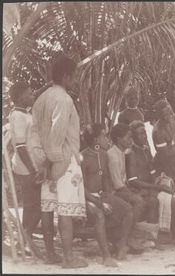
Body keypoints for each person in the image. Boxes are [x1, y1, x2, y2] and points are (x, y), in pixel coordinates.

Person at [30, 55, 87, 268]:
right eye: (74, 76)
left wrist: (42, 163)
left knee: (48, 207)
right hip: (63, 161)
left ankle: (51, 254)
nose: (75, 81)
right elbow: (57, 133)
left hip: (46, 164)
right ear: (66, 76)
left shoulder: (41, 99)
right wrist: (55, 162)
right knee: (65, 210)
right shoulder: (63, 99)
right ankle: (69, 258)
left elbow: (33, 135)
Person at [127, 120, 175, 246]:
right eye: (140, 134)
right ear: (133, 137)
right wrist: (157, 186)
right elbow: (133, 181)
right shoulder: (131, 153)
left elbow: (152, 172)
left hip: (151, 186)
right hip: (140, 190)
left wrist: (160, 178)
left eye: (144, 132)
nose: (144, 136)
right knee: (173, 201)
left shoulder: (145, 150)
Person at [81, 124, 136, 263]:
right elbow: (81, 188)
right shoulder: (83, 157)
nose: (107, 139)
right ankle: (106, 256)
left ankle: (121, 244)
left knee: (128, 210)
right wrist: (100, 203)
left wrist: (110, 197)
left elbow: (105, 179)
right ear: (95, 140)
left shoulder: (104, 155)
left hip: (102, 195)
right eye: (104, 136)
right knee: (99, 215)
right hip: (87, 197)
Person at [8, 82, 42, 241]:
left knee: (34, 203)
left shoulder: (24, 113)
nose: (33, 95)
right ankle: (25, 236)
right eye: (29, 94)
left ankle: (26, 234)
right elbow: (20, 147)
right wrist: (33, 170)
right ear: (21, 97)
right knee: (33, 204)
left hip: (31, 165)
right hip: (26, 167)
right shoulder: (18, 116)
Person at [152, 99, 175, 195]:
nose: (168, 116)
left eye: (169, 113)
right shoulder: (158, 131)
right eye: (164, 115)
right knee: (170, 194)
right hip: (165, 167)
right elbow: (165, 154)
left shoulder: (172, 119)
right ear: (159, 115)